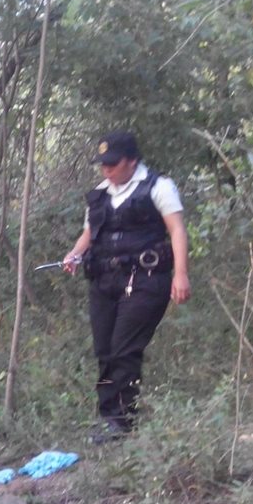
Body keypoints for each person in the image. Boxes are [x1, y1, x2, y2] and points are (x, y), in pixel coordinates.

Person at [61, 131, 191, 443]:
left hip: (146, 279)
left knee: (124, 348)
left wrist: (181, 274)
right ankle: (108, 416)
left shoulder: (159, 187)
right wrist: (74, 254)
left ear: (131, 161)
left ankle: (121, 420)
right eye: (102, 164)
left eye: (113, 164)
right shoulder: (99, 194)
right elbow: (90, 233)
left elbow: (177, 230)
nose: (106, 170)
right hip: (104, 280)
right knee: (104, 349)